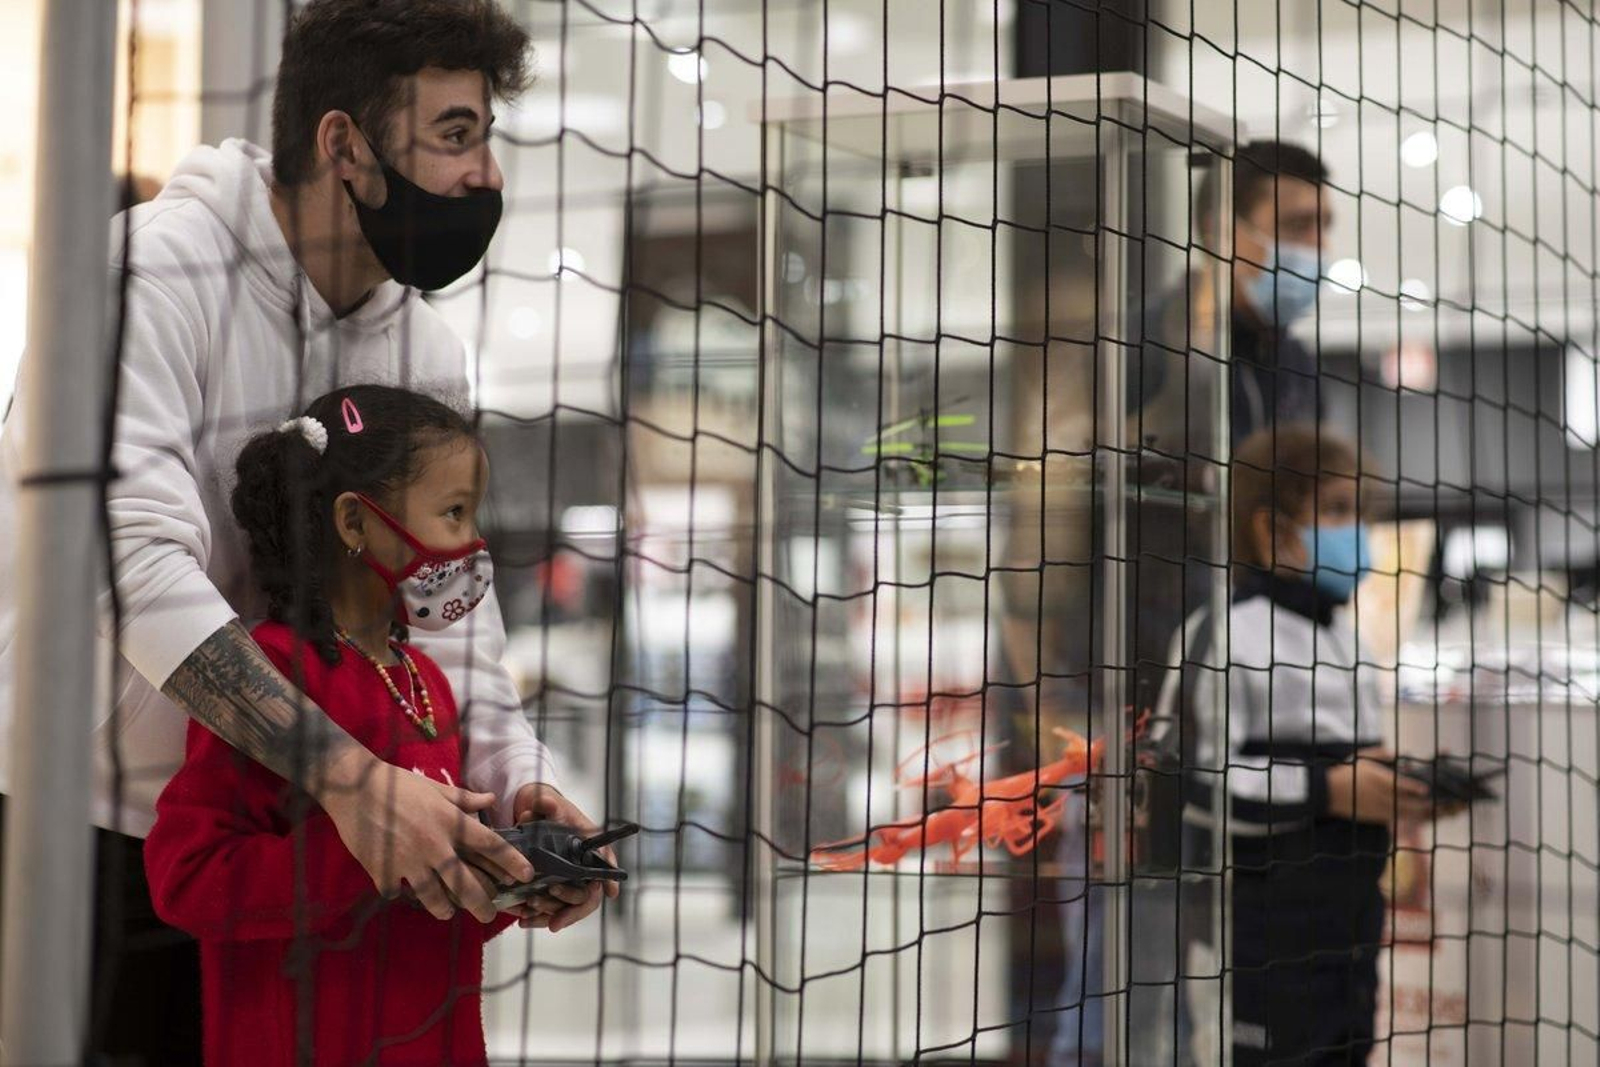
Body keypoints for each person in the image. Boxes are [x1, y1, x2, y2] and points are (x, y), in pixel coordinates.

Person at [0, 2, 610, 1061]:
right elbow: (124, 561)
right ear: (344, 145)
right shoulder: (151, 272)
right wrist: (351, 777)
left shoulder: (425, 350)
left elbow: (445, 605)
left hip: (299, 859)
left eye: (487, 140)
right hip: (84, 839)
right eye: (456, 136)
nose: (487, 177)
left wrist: (518, 782)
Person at [145, 386, 567, 1066]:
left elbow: (434, 909)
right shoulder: (268, 673)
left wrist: (524, 876)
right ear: (354, 522)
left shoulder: (427, 682)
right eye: (454, 513)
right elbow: (187, 879)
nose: (472, 541)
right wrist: (365, 849)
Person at [1153, 424, 1453, 1064]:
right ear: (1273, 529)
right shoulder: (1222, 636)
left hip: (1351, 926)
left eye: (1362, 513)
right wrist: (1327, 788)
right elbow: (1186, 786)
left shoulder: (1351, 642)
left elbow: (1353, 770)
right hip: (1257, 939)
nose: (1359, 533)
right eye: (1339, 511)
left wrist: (1402, 789)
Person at [1205, 140, 1333, 443]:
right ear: (1222, 235)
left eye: (1324, 225)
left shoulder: (1298, 363)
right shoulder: (1156, 344)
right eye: (1298, 224)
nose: (1321, 245)